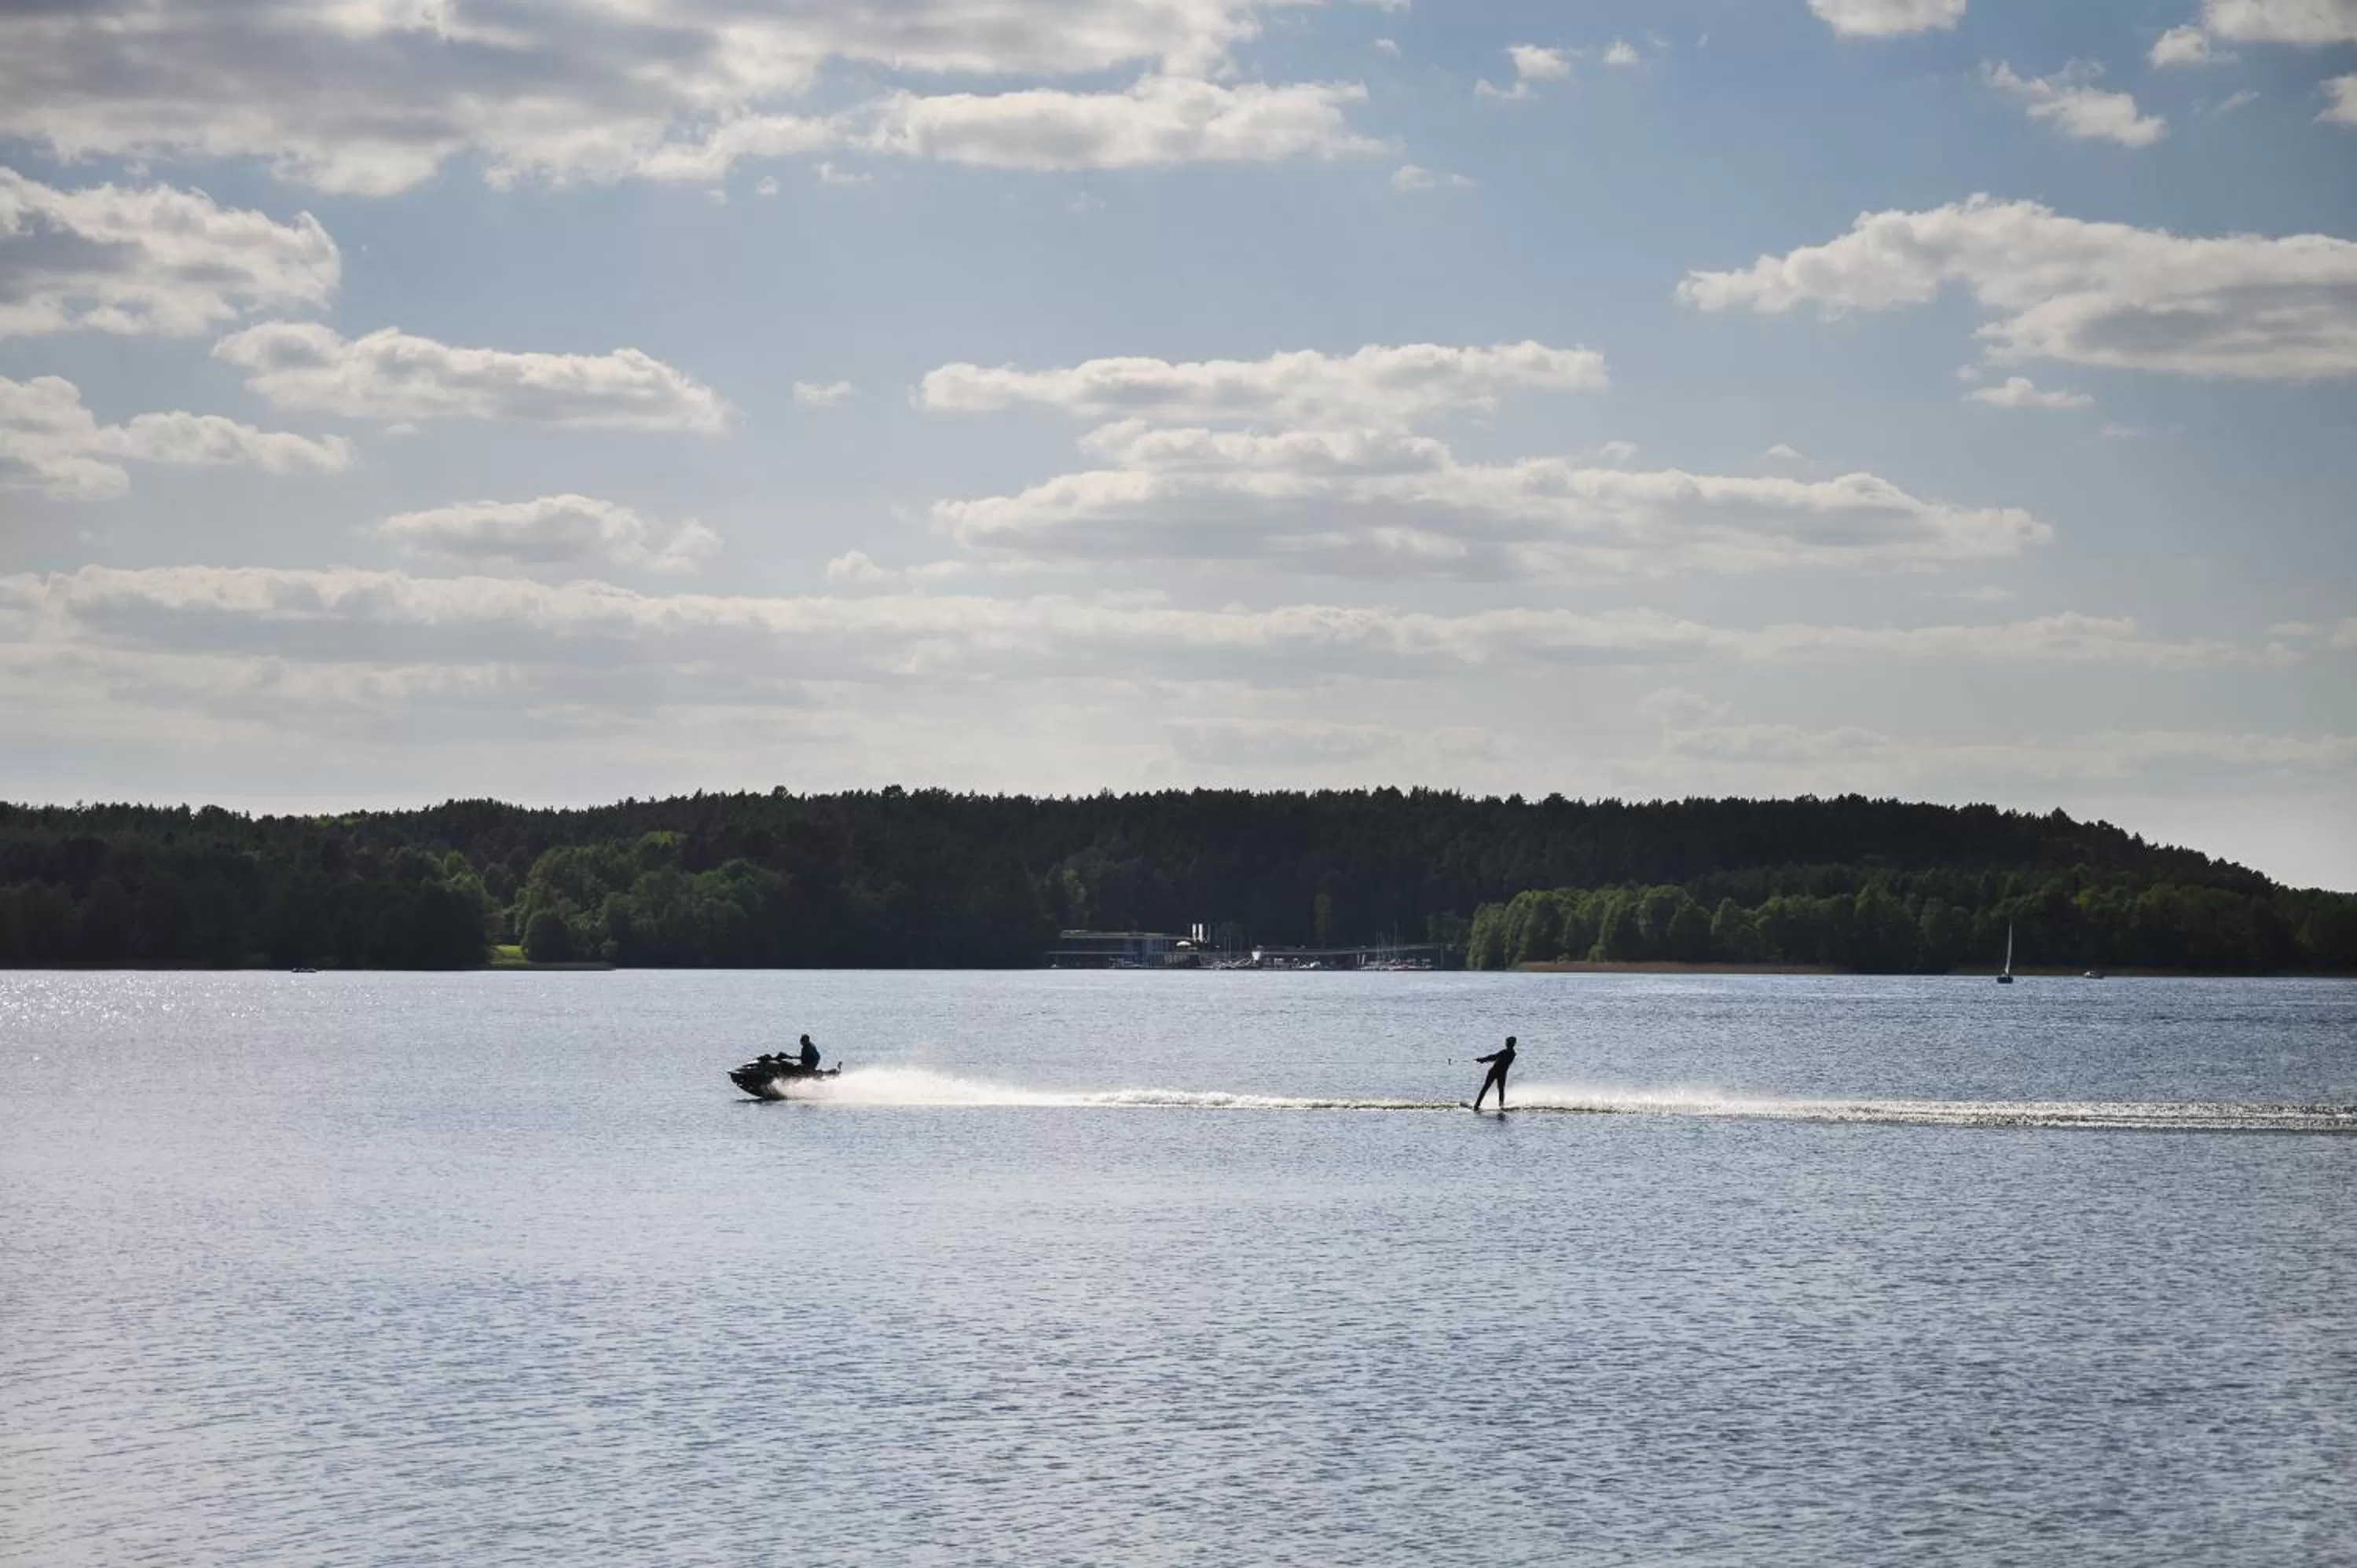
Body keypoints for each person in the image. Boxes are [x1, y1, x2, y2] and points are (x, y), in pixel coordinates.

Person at [1472, 1035, 1517, 1111]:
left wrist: (1483, 1059)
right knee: (1499, 1089)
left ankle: (1477, 1105)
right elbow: (1495, 1057)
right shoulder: (1512, 1053)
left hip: (1496, 1072)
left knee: (1489, 1088)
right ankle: (1500, 1106)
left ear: (1510, 1044)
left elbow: (1494, 1057)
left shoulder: (1506, 1052)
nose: (1506, 1044)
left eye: (1507, 1042)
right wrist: (1484, 1060)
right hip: (1500, 1073)